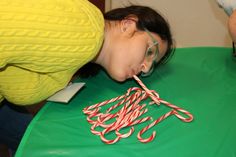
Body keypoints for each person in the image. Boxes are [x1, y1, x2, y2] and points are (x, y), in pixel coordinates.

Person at [0, 0, 175, 155]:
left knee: (27, 134)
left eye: (151, 66)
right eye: (150, 51)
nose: (144, 67)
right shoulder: (86, 35)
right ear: (128, 25)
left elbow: (15, 89)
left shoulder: (78, 54)